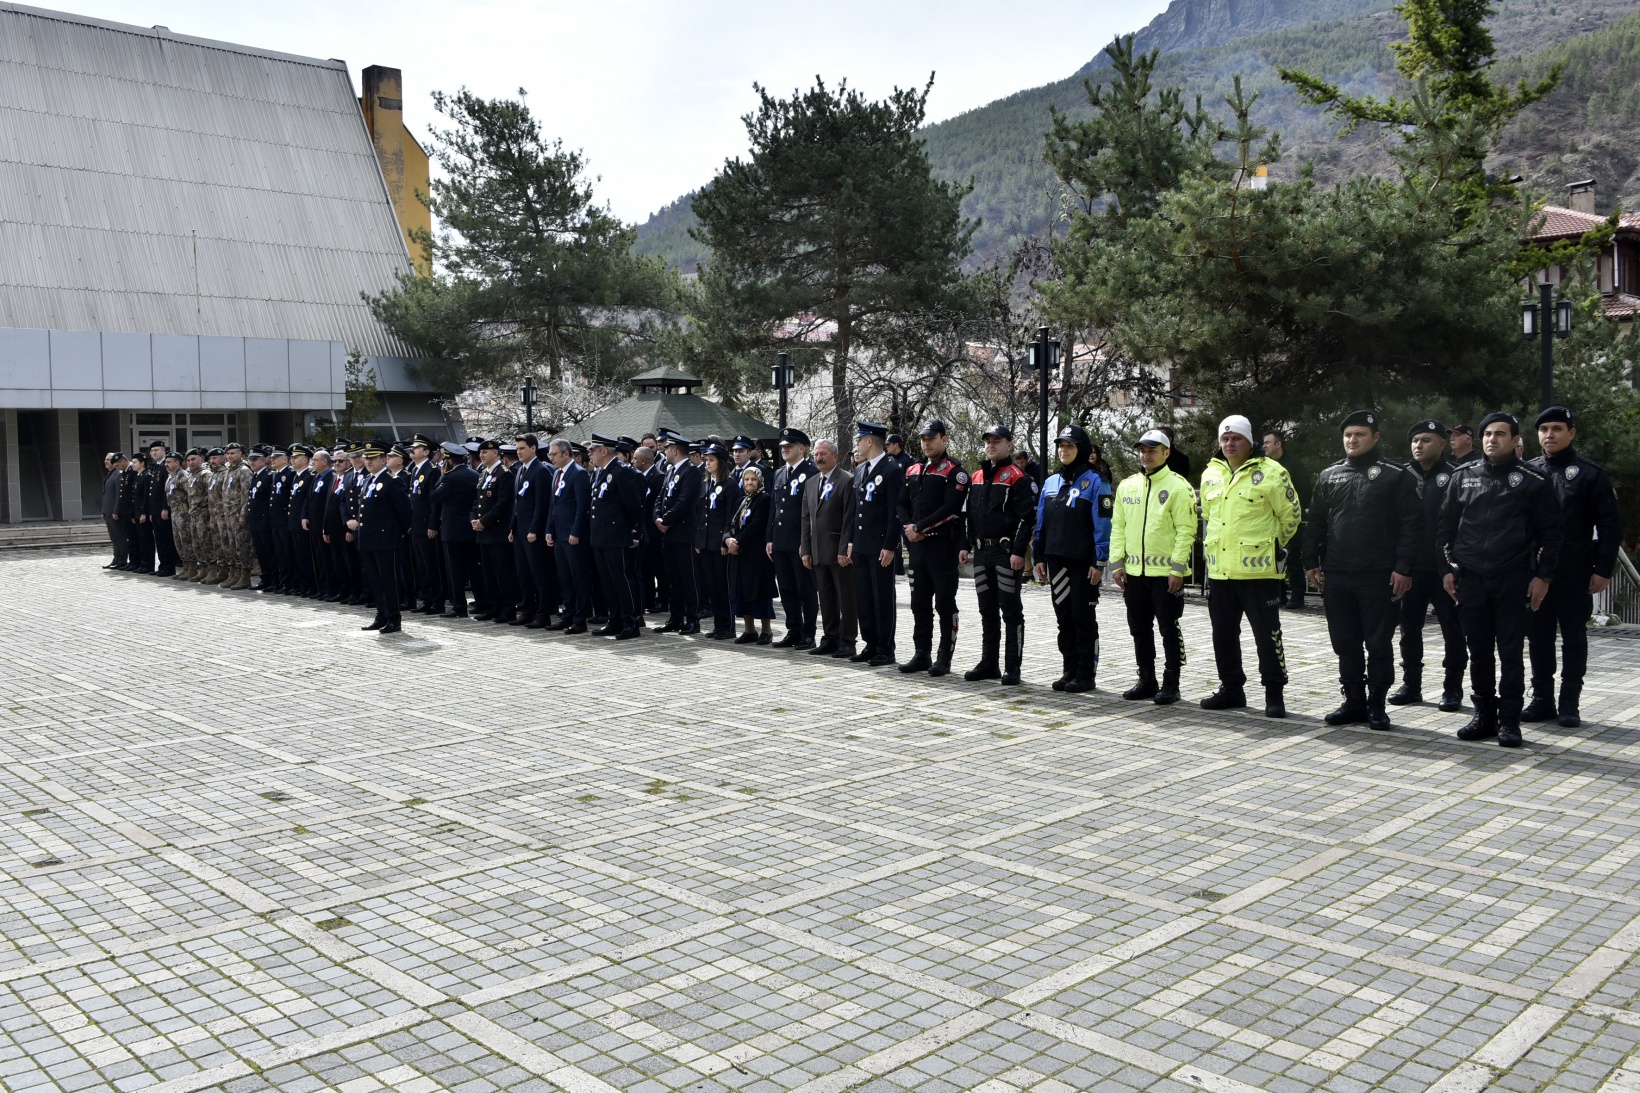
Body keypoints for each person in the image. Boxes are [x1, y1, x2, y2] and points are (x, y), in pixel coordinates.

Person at [1440, 411, 1562, 747]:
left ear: (1514, 440)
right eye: (1487, 434)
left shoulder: (1533, 480)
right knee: (1478, 652)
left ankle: (1510, 721)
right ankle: (1484, 717)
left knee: (1510, 653)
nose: (1492, 439)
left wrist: (1543, 577)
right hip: (1471, 579)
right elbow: (1445, 529)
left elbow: (1551, 535)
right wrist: (1446, 570)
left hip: (1513, 579)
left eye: (1500, 434)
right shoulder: (1463, 476)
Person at [1303, 410, 1422, 730]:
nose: (1352, 440)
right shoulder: (1329, 475)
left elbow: (1411, 525)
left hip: (1379, 575)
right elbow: (1315, 521)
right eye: (1347, 435)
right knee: (1345, 642)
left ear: (1376, 437)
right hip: (1339, 574)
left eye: (1360, 435)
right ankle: (1353, 701)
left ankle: (1377, 705)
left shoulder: (1396, 475)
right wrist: (1310, 561)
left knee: (1378, 643)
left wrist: (1403, 567)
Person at [1525, 406, 1623, 727]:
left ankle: (1569, 702)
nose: (1549, 435)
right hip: (1537, 572)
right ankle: (1542, 699)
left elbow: (1609, 526)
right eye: (1544, 429)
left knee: (1573, 636)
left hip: (1574, 570)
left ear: (1571, 433)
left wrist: (1603, 569)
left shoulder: (1590, 474)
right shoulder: (1527, 471)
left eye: (1556, 428)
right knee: (1538, 636)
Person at [1199, 415, 1302, 717]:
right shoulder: (1211, 474)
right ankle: (1232, 690)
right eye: (1225, 439)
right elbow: (1208, 515)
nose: (1230, 444)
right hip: (1221, 572)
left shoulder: (1272, 471)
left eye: (1236, 438)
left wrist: (1270, 546)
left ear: (1249, 441)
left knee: (1267, 636)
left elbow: (1291, 517)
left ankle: (1274, 693)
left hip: (1259, 572)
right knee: (1223, 635)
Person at [1109, 429, 1197, 705]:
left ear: (1166, 452)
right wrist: (1116, 563)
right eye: (1142, 450)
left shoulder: (1178, 486)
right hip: (1134, 575)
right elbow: (1118, 527)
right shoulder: (1127, 485)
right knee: (1139, 629)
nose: (1146, 455)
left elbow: (1186, 531)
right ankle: (1147, 679)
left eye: (1152, 450)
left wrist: (1178, 569)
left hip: (1165, 576)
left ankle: (1172, 682)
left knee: (1169, 629)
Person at [1390, 420, 1467, 712]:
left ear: (1442, 445)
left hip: (1445, 570)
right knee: (1409, 629)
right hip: (1411, 568)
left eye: (1426, 440)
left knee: (1453, 630)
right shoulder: (1401, 475)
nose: (1419, 445)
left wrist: (1455, 566)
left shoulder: (1455, 475)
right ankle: (1411, 685)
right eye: (1415, 440)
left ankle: (1453, 689)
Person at [1032, 424, 1112, 693]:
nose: (1064, 450)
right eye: (1061, 446)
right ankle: (1069, 670)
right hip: (1056, 560)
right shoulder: (1051, 482)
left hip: (1083, 563)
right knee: (1063, 617)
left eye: (1070, 446)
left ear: (1082, 449)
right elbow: (1041, 522)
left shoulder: (1097, 481)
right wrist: (1039, 555)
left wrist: (1099, 562)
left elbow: (1103, 526)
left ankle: (1085, 674)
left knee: (1082, 616)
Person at [966, 425, 1037, 685]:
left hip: (1006, 554)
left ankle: (1012, 667)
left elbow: (1027, 518)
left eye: (997, 441)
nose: (991, 445)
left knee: (1011, 611)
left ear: (1009, 445)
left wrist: (1019, 551)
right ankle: (989, 664)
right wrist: (966, 545)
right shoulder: (976, 476)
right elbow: (969, 516)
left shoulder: (1017, 477)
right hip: (982, 553)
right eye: (988, 441)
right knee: (986, 611)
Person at [898, 419, 969, 677]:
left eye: (932, 438)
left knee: (944, 604)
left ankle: (943, 658)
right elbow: (900, 504)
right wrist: (909, 526)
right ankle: (921, 654)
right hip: (917, 549)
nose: (927, 443)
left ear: (944, 439)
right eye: (923, 439)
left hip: (942, 547)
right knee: (919, 604)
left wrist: (920, 527)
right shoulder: (913, 469)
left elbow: (951, 508)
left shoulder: (955, 471)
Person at [850, 421, 904, 667]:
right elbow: (856, 510)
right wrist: (851, 541)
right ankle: (870, 643)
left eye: (859, 440)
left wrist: (890, 545)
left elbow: (895, 511)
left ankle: (885, 647)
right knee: (864, 597)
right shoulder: (861, 470)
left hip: (880, 545)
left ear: (869, 441)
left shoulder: (891, 469)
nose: (857, 445)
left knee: (882, 597)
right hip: (861, 545)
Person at [801, 438, 858, 659]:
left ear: (835, 456)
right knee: (825, 598)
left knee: (846, 598)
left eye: (823, 454)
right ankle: (830, 638)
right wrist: (805, 548)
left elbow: (848, 518)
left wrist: (844, 549)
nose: (818, 458)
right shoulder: (812, 482)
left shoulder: (846, 480)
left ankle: (848, 641)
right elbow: (806, 518)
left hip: (838, 552)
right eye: (816, 454)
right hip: (817, 551)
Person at [587, 433, 647, 639]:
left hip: (616, 535)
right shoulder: (599, 472)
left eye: (593, 450)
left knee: (621, 580)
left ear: (604, 451)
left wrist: (631, 530)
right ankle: (614, 620)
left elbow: (634, 505)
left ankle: (630, 622)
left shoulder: (621, 472)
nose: (590, 454)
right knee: (607, 581)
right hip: (600, 536)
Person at [351, 440, 412, 633]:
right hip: (368, 539)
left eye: (373, 458)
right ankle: (381, 615)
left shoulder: (392, 481)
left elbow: (406, 512)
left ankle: (394, 618)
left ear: (384, 459)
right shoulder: (369, 480)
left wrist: (397, 532)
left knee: (389, 580)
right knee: (375, 581)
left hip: (386, 540)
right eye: (366, 458)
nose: (368, 461)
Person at [768, 428, 820, 648]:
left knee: (806, 589)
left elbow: (813, 510)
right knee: (787, 589)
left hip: (800, 541)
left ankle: (808, 633)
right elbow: (774, 507)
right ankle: (793, 630)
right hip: (780, 541)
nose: (785, 449)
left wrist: (806, 542)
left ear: (802, 448)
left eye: (790, 445)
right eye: (782, 446)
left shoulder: (811, 472)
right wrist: (770, 538)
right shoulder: (779, 473)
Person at [655, 432, 703, 634]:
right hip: (670, 534)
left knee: (688, 579)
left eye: (666, 448)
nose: (664, 451)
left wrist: (666, 520)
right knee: (673, 579)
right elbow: (661, 497)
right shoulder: (670, 471)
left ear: (674, 450)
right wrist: (657, 517)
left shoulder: (691, 472)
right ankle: (675, 618)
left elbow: (685, 501)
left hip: (683, 533)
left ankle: (692, 619)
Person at [544, 438, 593, 634]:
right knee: (564, 577)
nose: (551, 458)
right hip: (559, 535)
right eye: (550, 454)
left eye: (554, 454)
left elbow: (583, 507)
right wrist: (549, 529)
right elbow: (553, 505)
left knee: (578, 577)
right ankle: (568, 615)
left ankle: (580, 619)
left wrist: (576, 531)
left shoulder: (579, 473)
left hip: (573, 536)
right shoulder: (556, 473)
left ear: (566, 454)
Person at [727, 464, 778, 644]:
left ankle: (766, 631)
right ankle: (749, 630)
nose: (749, 482)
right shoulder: (740, 501)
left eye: (753, 479)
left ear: (760, 481)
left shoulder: (764, 499)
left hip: (756, 556)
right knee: (741, 591)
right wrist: (728, 540)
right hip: (739, 555)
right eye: (746, 479)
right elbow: (729, 523)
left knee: (759, 592)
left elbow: (757, 525)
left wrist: (738, 541)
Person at [429, 441, 480, 618]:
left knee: (455, 570)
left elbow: (434, 496)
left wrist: (442, 477)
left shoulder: (450, 478)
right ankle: (480, 603)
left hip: (453, 529)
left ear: (449, 461)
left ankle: (459, 606)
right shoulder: (474, 474)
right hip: (470, 527)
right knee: (474, 568)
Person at [470, 439, 518, 623]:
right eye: (480, 452)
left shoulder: (504, 474)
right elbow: (477, 501)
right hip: (483, 532)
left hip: (497, 531)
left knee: (503, 573)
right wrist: (474, 519)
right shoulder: (483, 474)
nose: (481, 455)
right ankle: (493, 607)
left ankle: (508, 609)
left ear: (496, 453)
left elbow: (503, 504)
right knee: (488, 574)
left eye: (485, 452)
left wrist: (484, 521)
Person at [1262, 430, 1311, 608]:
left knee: (1293, 558)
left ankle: (1297, 597)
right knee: (1273, 559)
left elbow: (1305, 492)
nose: (1264, 446)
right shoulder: (1264, 467)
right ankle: (1279, 596)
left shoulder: (1294, 465)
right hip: (1270, 522)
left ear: (1278, 444)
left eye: (1268, 442)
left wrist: (1290, 511)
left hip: (1292, 521)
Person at [510, 433, 554, 628]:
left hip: (532, 532)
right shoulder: (521, 471)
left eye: (522, 448)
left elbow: (541, 504)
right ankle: (527, 610)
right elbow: (518, 503)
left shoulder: (541, 470)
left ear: (533, 448)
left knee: (539, 574)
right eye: (517, 449)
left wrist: (535, 529)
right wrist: (512, 528)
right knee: (523, 573)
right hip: (520, 531)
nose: (518, 452)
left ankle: (544, 613)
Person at [696, 443, 738, 640]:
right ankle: (717, 625)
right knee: (711, 585)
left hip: (719, 543)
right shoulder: (705, 483)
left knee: (723, 586)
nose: (707, 463)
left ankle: (728, 626)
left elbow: (731, 517)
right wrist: (698, 540)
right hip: (705, 543)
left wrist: (724, 541)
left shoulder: (730, 486)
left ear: (721, 462)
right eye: (706, 460)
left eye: (711, 460)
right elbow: (701, 515)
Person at [406, 435, 444, 615]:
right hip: (416, 524)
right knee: (421, 564)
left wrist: (432, 524)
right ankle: (427, 599)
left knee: (431, 564)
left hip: (427, 524)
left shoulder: (432, 470)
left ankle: (438, 601)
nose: (412, 449)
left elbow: (434, 501)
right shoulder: (415, 469)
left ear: (426, 452)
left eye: (417, 447)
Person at [152, 450, 181, 577]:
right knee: (160, 540)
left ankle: (169, 567)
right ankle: (163, 565)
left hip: (170, 511)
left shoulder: (181, 475)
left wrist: (165, 508)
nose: (166, 464)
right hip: (157, 510)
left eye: (168, 462)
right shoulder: (167, 473)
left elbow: (166, 495)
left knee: (167, 540)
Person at [100, 452, 130, 570]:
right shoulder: (110, 474)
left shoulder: (118, 474)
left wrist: (116, 511)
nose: (106, 461)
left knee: (120, 537)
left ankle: (122, 560)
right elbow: (106, 495)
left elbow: (119, 495)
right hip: (108, 512)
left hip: (115, 512)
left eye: (109, 459)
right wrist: (103, 511)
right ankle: (116, 558)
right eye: (106, 459)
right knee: (114, 538)